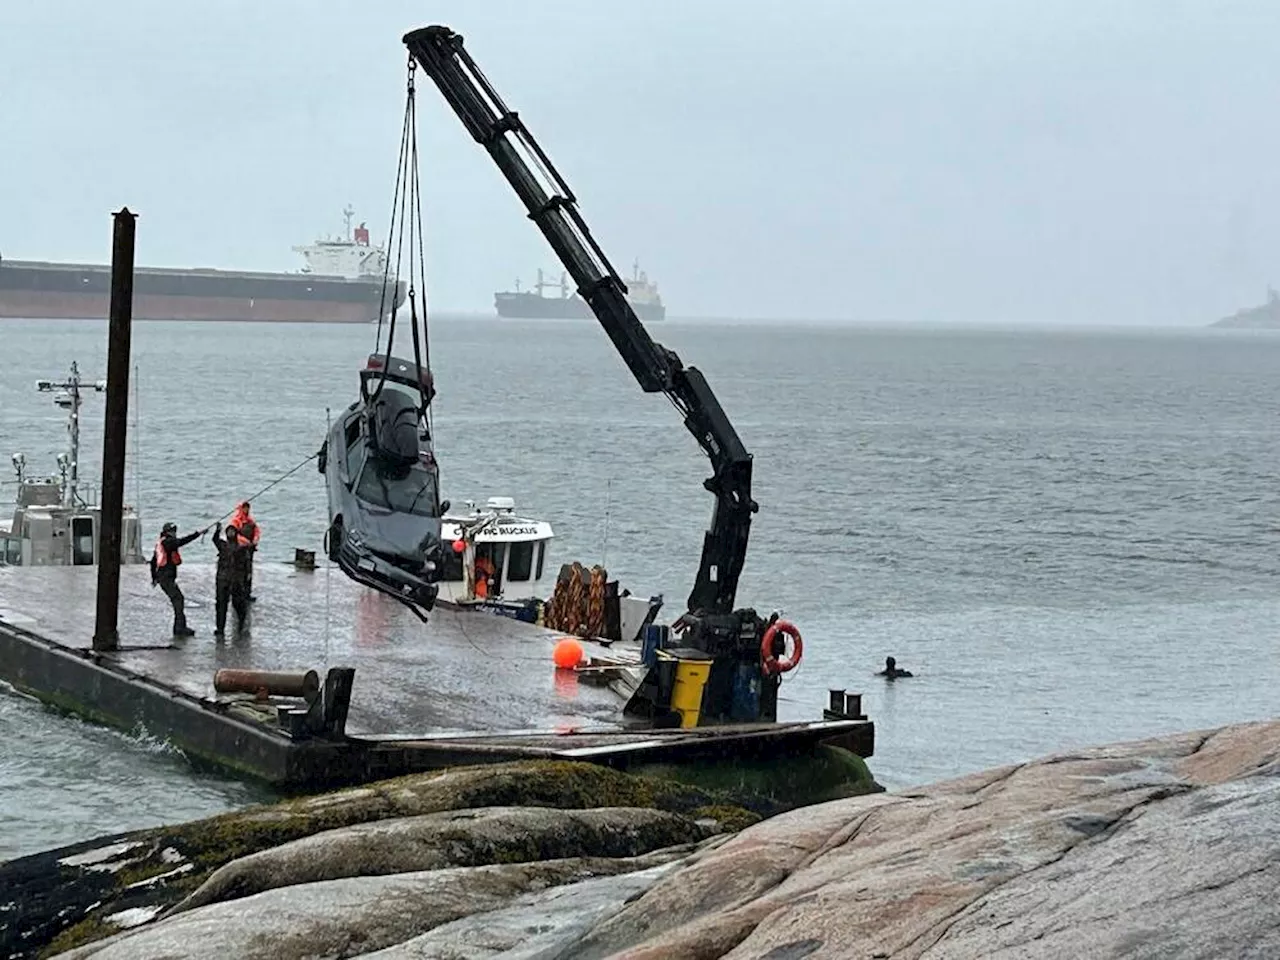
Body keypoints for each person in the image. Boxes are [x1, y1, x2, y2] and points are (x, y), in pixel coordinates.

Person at [150, 521, 205, 636]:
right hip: (166, 578)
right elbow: (181, 542)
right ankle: (179, 628)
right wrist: (197, 534)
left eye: (174, 531)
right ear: (166, 532)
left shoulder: (160, 543)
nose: (174, 533)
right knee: (178, 599)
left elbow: (153, 562)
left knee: (178, 599)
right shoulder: (168, 542)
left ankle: (180, 627)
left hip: (164, 577)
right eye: (172, 531)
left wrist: (154, 577)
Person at [212, 521, 251, 638]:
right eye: (228, 531)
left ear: (236, 533)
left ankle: (241, 625)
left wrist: (248, 575)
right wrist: (217, 530)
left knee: (238, 604)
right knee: (220, 605)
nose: (230, 533)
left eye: (233, 531)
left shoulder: (241, 548)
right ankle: (220, 629)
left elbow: (247, 563)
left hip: (236, 581)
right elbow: (215, 540)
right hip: (222, 579)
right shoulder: (223, 546)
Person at [228, 501, 261, 601]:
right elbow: (233, 535)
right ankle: (235, 592)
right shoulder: (236, 521)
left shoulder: (251, 522)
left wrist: (255, 539)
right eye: (244, 508)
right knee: (237, 572)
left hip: (249, 551)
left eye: (248, 508)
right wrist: (245, 541)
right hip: (238, 551)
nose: (246, 510)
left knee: (248, 571)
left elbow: (257, 531)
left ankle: (247, 593)